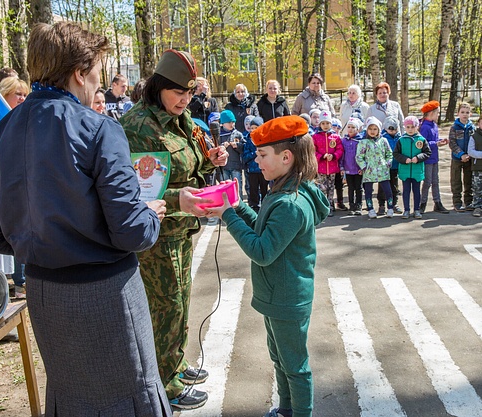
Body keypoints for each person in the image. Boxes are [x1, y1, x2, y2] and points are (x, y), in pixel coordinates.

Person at [0, 22, 170, 417]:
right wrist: (149, 216)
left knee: (72, 400)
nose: (97, 79)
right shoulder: (100, 129)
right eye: (97, 69)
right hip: (106, 296)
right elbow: (132, 231)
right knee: (128, 399)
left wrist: (41, 242)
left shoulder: (0, 132)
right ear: (80, 73)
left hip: (45, 294)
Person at [120, 48, 228, 410]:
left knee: (178, 303)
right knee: (163, 307)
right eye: (178, 92)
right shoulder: (138, 126)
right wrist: (177, 197)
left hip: (181, 230)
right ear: (159, 87)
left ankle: (174, 365)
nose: (185, 99)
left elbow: (189, 169)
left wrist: (210, 162)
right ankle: (164, 386)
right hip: (156, 236)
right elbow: (134, 192)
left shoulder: (181, 121)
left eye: (190, 93)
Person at [205, 115, 330, 417]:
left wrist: (228, 216)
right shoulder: (283, 190)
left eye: (262, 155)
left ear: (286, 157)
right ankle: (286, 410)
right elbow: (263, 227)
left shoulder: (290, 203)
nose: (256, 160)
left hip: (286, 299)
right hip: (277, 298)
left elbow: (262, 250)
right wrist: (237, 205)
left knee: (295, 366)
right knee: (281, 360)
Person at [0, 77, 29, 301]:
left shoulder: (24, 120)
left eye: (25, 94)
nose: (22, 98)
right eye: (17, 93)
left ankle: (21, 283)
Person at [355, 116, 394, 219]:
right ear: (367, 130)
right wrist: (364, 167)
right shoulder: (363, 142)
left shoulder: (383, 140)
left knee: (388, 190)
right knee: (368, 191)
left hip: (383, 170)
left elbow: (389, 153)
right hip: (369, 172)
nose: (372, 131)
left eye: (375, 129)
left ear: (379, 130)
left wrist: (387, 163)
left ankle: (390, 207)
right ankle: (370, 209)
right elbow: (359, 157)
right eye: (370, 129)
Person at [393, 116, 431, 219]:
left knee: (416, 191)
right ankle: (406, 210)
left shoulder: (421, 139)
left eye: (413, 127)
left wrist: (418, 158)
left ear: (417, 127)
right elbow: (396, 154)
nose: (410, 129)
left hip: (417, 171)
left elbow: (427, 152)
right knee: (406, 191)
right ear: (405, 127)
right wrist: (404, 159)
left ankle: (417, 210)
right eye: (408, 127)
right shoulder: (401, 140)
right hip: (405, 171)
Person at [419, 101, 450, 214]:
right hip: (427, 159)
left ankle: (437, 203)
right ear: (431, 113)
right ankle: (422, 204)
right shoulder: (425, 127)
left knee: (435, 181)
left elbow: (433, 140)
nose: (438, 115)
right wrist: (436, 144)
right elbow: (422, 143)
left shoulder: (434, 125)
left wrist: (440, 141)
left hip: (434, 158)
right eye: (437, 113)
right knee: (427, 182)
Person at [312, 110, 343, 216]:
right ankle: (322, 205)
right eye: (323, 123)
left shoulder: (335, 137)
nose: (325, 126)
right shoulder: (315, 137)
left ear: (331, 124)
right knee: (322, 187)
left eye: (327, 123)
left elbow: (340, 150)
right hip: (321, 167)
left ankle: (330, 205)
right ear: (320, 124)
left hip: (333, 167)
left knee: (331, 187)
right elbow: (313, 151)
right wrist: (321, 156)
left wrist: (333, 156)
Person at [448, 102, 475, 212]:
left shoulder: (472, 127)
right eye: (462, 112)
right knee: (456, 181)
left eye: (467, 112)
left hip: (469, 158)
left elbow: (474, 142)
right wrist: (461, 154)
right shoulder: (454, 127)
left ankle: (468, 201)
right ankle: (457, 203)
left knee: (469, 180)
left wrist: (469, 154)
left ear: (470, 114)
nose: (465, 115)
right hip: (457, 158)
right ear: (458, 113)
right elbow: (452, 143)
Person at [376, 116, 402, 215]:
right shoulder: (381, 138)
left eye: (395, 129)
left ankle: (394, 204)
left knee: (394, 187)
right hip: (384, 168)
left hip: (394, 166)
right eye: (390, 129)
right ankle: (381, 205)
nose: (392, 131)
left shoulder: (399, 138)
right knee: (382, 187)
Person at [242, 116, 268, 212]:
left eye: (255, 127)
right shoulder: (247, 140)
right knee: (253, 190)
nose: (253, 130)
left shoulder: (265, 139)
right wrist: (255, 153)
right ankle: (254, 207)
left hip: (263, 169)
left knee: (264, 188)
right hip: (252, 170)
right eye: (252, 128)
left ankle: (265, 206)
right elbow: (245, 156)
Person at [219, 109, 245, 197]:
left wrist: (238, 146)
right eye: (229, 122)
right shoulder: (219, 135)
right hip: (224, 167)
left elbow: (244, 148)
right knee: (225, 188)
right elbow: (215, 148)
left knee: (238, 188)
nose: (232, 124)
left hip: (236, 166)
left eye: (233, 122)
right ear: (223, 123)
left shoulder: (238, 134)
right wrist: (222, 146)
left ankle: (239, 205)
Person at [340, 117, 364, 215]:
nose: (350, 129)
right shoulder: (344, 141)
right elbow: (342, 155)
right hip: (348, 169)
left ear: (357, 129)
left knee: (358, 187)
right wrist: (341, 167)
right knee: (350, 187)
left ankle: (359, 204)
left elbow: (363, 155)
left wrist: (362, 167)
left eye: (353, 127)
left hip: (358, 169)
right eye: (349, 127)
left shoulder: (361, 141)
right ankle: (351, 205)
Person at [468, 116, 482, 217]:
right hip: (478, 167)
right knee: (477, 188)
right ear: (479, 124)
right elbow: (470, 151)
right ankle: (477, 207)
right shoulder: (474, 136)